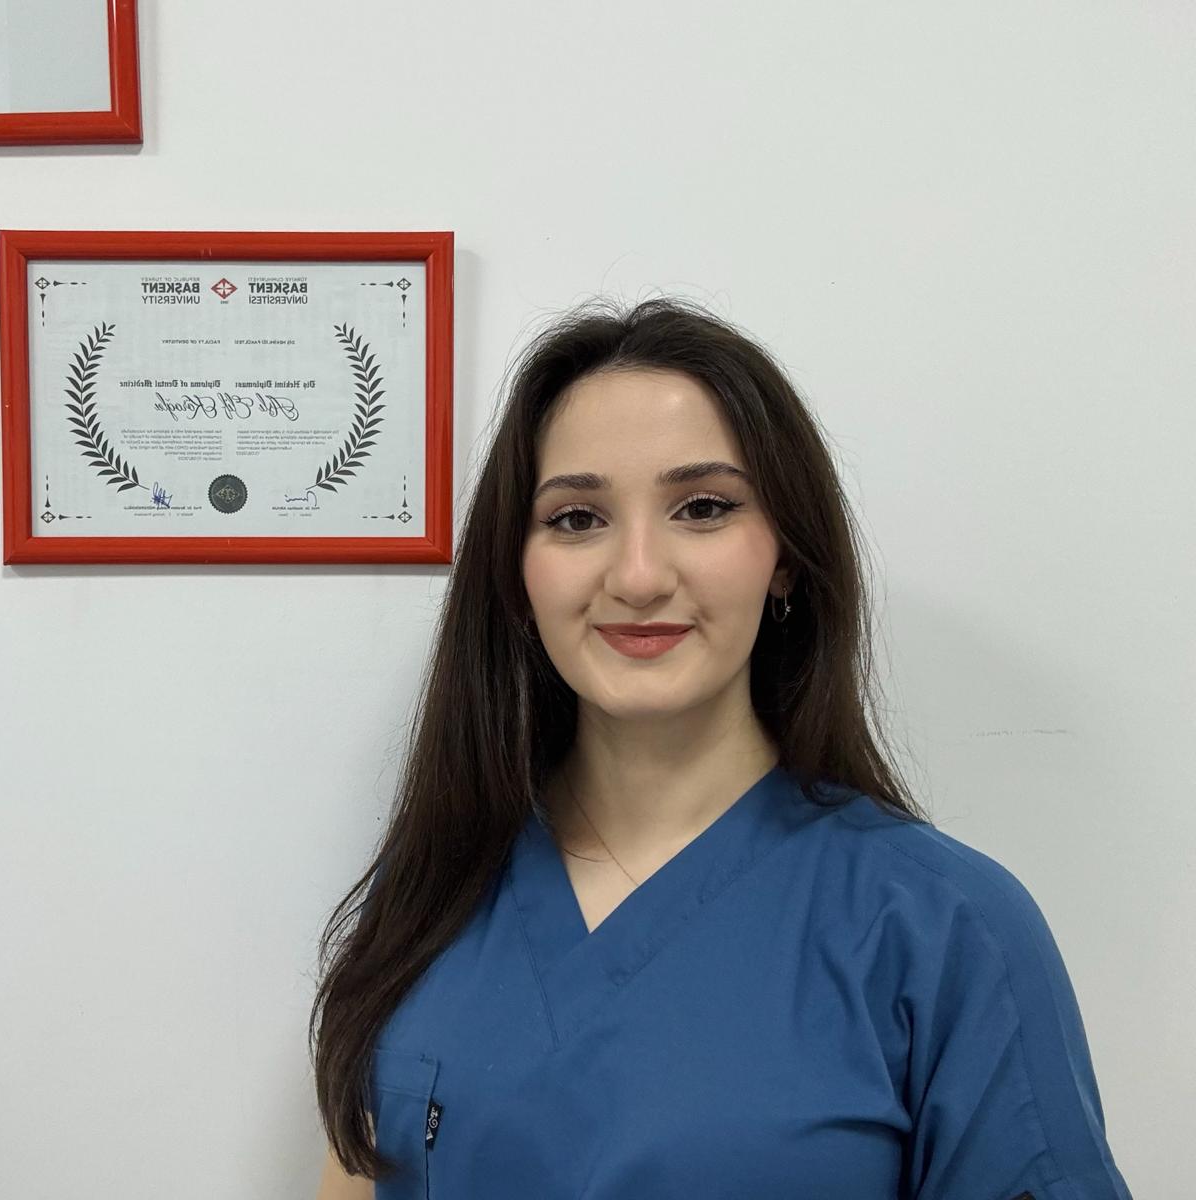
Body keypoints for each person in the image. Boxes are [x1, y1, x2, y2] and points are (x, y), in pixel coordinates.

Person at [310, 298, 1132, 1199]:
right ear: (518, 571)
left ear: (785, 557)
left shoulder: (948, 929)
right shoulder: (431, 892)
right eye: (577, 518)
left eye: (702, 508)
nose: (637, 576)